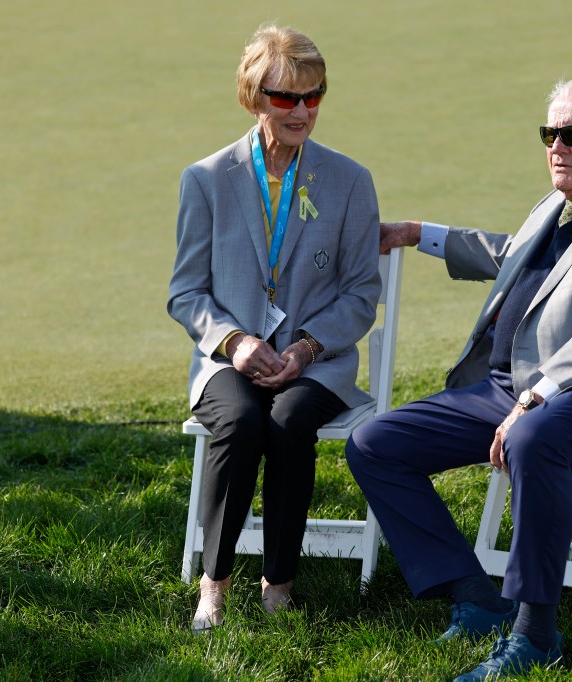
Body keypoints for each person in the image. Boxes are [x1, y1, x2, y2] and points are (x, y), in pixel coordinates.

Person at [346, 71, 572, 680]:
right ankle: (475, 596)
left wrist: (539, 392)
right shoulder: (558, 204)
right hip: (508, 390)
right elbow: (512, 255)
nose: (557, 146)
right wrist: (419, 234)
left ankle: (535, 633)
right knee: (375, 444)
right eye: (550, 132)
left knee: (533, 437)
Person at [168, 25, 381, 633]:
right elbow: (186, 293)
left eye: (314, 96)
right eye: (287, 97)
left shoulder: (350, 181)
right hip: (226, 362)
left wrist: (309, 347)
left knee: (287, 424)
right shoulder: (205, 180)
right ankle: (215, 583)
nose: (302, 111)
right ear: (253, 95)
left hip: (318, 360)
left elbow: (362, 293)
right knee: (239, 422)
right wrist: (235, 343)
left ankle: (278, 585)